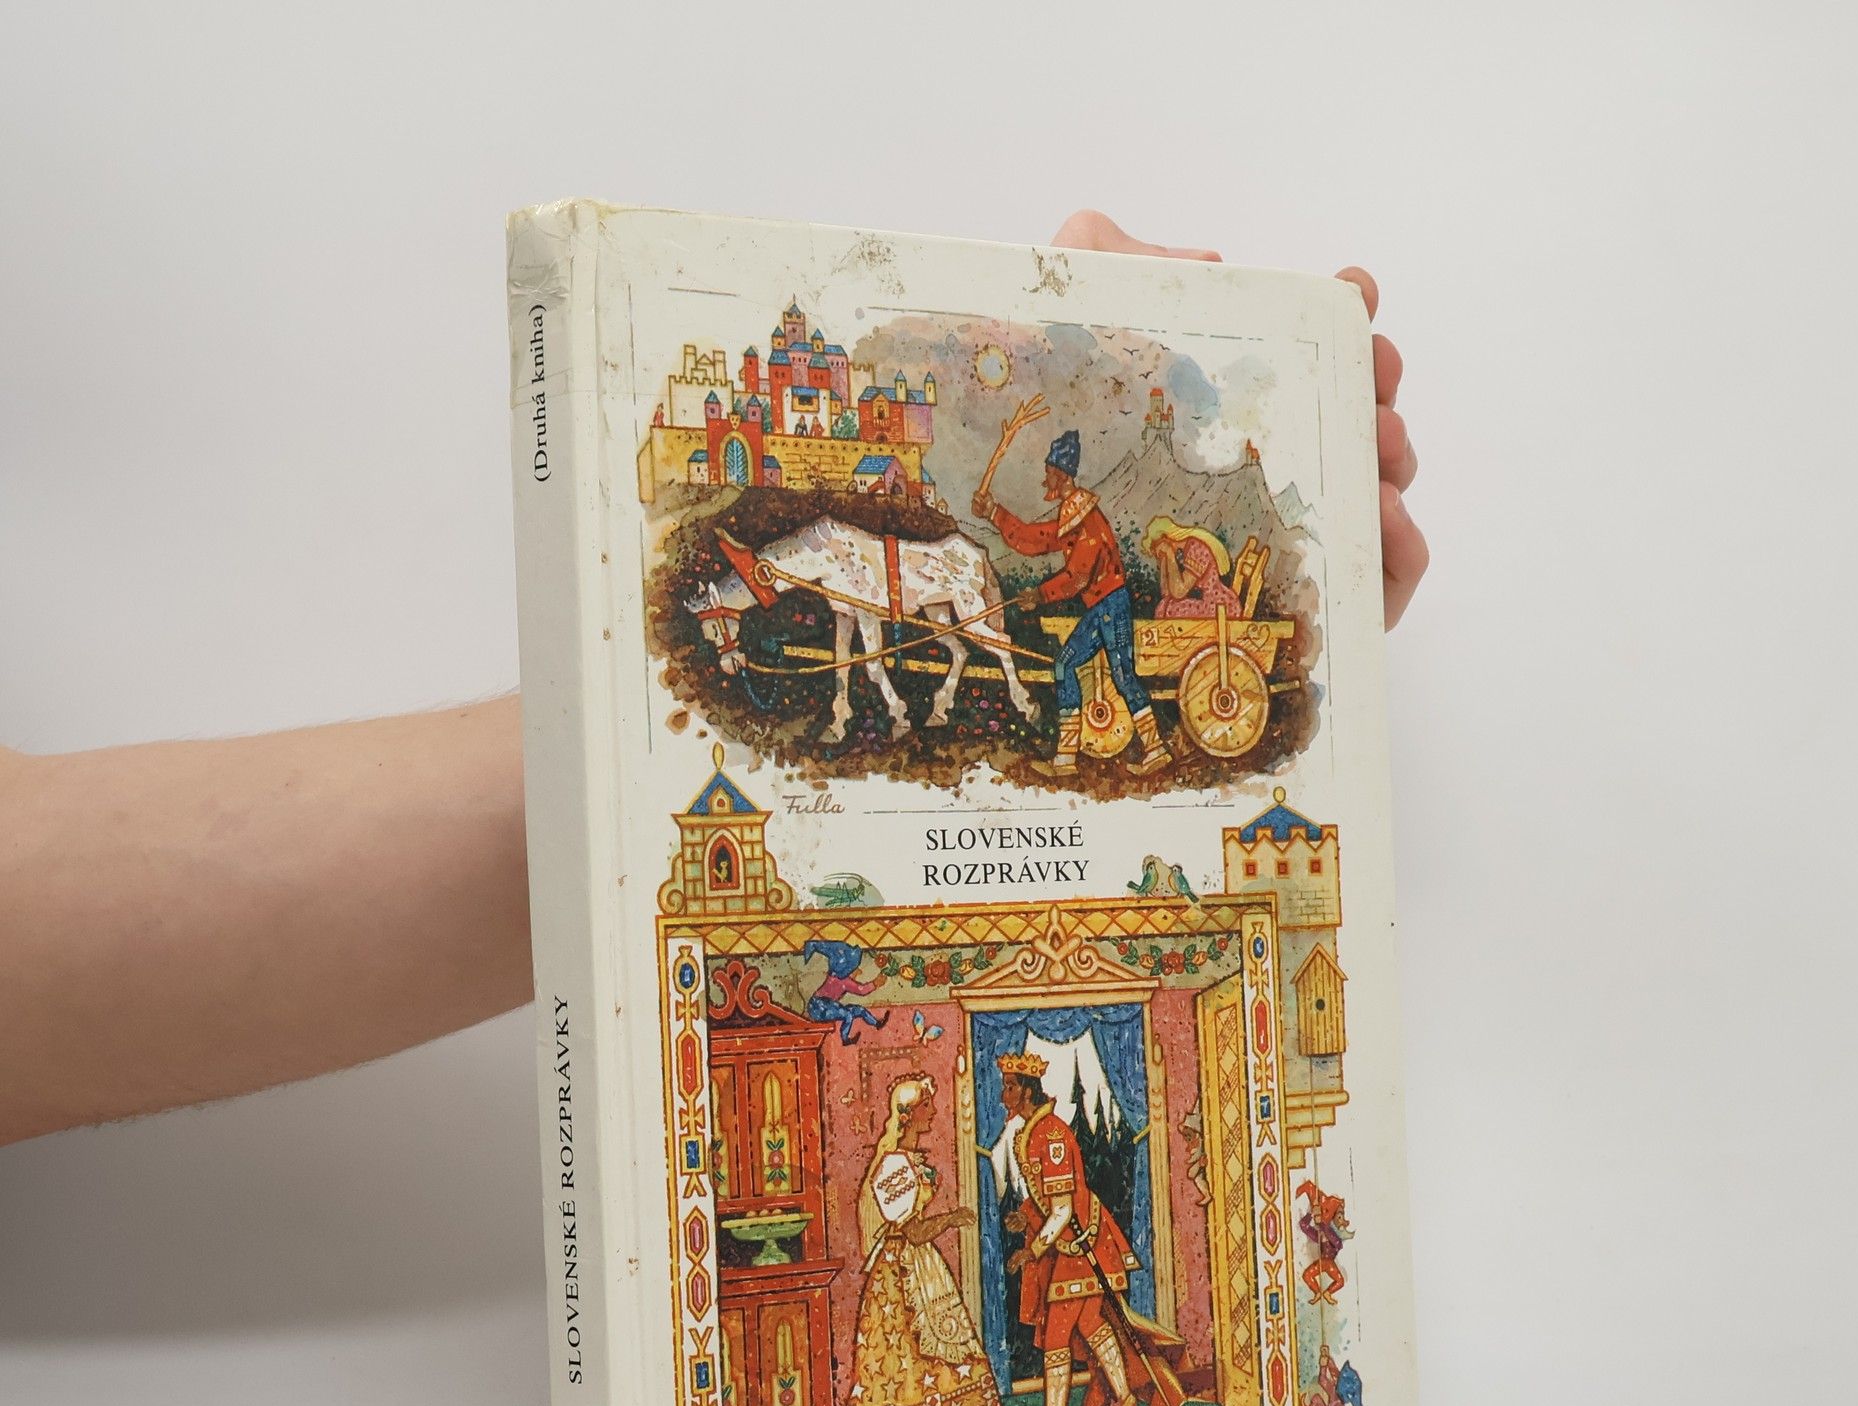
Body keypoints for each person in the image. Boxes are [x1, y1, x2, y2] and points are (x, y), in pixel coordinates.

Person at [0, 212, 1426, 1147]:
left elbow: (1061, 569)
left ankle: (1076, 724)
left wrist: (1032, 347)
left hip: (1094, 618)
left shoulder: (1082, 530)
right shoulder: (1007, 516)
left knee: (1075, 665)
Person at [798, 1075, 1011, 1406]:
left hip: (918, 1267)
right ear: (910, 1114)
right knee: (907, 1363)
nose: (933, 1111)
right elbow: (911, 1232)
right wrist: (951, 1219)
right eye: (927, 1105)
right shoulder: (894, 1165)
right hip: (901, 1275)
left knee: (939, 1355)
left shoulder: (909, 1159)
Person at [997, 1050, 1186, 1406]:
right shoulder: (1030, 1131)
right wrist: (1025, 1214)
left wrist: (1031, 1250)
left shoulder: (1051, 1136)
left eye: (1009, 1087)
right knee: (1091, 1325)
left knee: (1056, 1340)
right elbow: (1048, 1198)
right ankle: (1124, 1397)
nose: (1002, 1095)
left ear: (1026, 1091)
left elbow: (1064, 1208)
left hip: (1081, 1247)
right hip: (1067, 1246)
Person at [973, 426, 1172, 779]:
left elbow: (1077, 576)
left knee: (1120, 675)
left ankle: (1154, 750)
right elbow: (1035, 539)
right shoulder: (1073, 514)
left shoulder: (1087, 521)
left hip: (1111, 606)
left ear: (1062, 475)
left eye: (1049, 472)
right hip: (1103, 607)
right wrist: (993, 513)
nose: (1045, 479)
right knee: (1068, 665)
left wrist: (1040, 595)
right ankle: (1066, 759)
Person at [1145, 517, 1241, 619]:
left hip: (1219, 604)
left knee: (1169, 609)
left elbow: (1178, 592)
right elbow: (1166, 593)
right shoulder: (1182, 552)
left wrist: (1169, 553)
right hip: (1208, 604)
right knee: (1164, 606)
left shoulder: (1196, 547)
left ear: (1165, 538)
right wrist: (1165, 560)